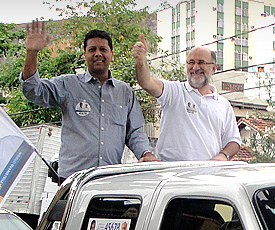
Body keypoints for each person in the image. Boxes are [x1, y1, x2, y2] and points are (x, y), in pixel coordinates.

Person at [21, 20, 158, 181]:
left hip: (109, 181)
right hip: (72, 181)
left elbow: (135, 133)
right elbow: (33, 91)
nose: (98, 54)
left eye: (103, 49)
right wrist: (31, 53)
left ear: (111, 55)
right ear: (85, 54)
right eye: (92, 49)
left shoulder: (125, 93)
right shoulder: (68, 85)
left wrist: (146, 153)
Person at [133, 34, 241, 161]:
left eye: (201, 63)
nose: (195, 67)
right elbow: (146, 82)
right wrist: (141, 60)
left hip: (208, 175)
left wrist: (223, 156)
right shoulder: (174, 91)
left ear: (213, 68)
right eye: (191, 62)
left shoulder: (223, 104)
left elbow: (233, 141)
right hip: (172, 174)